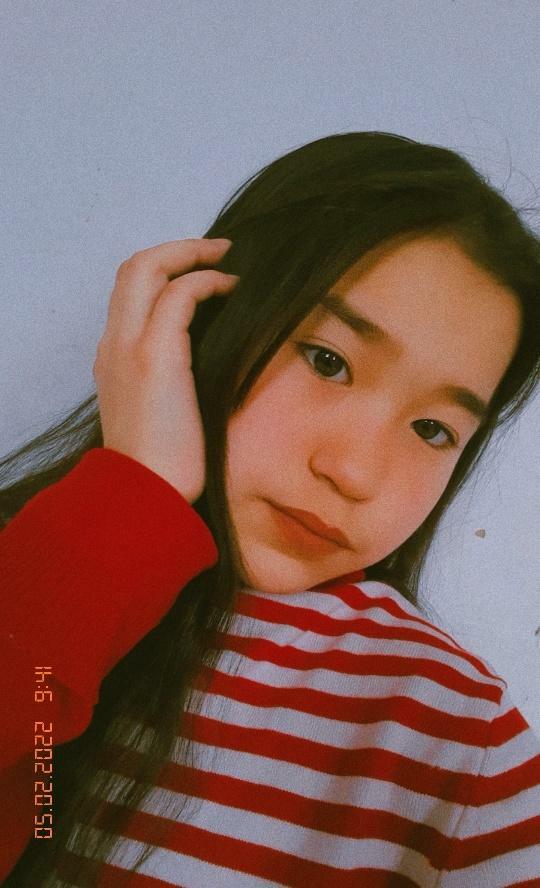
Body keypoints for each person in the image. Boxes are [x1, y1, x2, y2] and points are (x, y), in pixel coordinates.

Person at [1, 131, 539, 887]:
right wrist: (134, 491)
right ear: (203, 320)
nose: (354, 473)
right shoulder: (29, 571)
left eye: (432, 430)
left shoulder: (452, 735)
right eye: (328, 360)